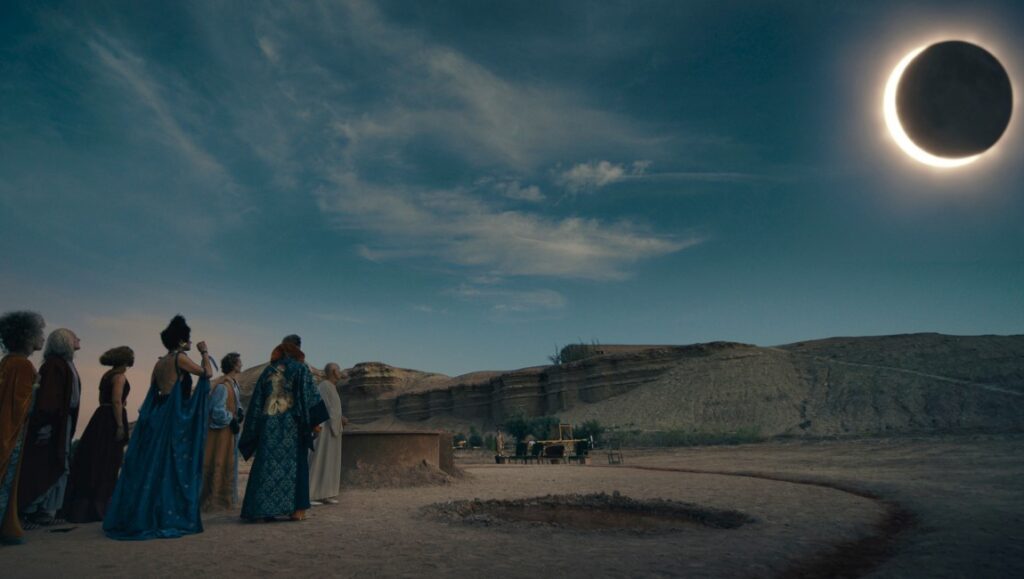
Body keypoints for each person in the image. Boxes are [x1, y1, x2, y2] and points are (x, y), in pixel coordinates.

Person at [102, 315, 212, 540]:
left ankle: (144, 511)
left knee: (153, 466)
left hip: (157, 415)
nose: (190, 343)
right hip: (173, 417)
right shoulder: (180, 358)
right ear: (182, 341)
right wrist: (204, 353)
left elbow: (153, 391)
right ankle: (163, 515)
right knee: (171, 465)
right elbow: (207, 373)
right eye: (188, 340)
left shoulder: (159, 362)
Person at [239, 335, 328, 521]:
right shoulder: (301, 369)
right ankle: (297, 510)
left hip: (268, 426)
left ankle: (261, 510)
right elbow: (310, 396)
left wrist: (252, 431)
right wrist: (315, 423)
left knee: (267, 464)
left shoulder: (267, 371)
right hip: (292, 428)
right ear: (297, 348)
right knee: (296, 466)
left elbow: (256, 403)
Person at [62, 346, 133, 523]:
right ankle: (100, 508)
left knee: (93, 461)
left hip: (100, 417)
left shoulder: (107, 375)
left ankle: (84, 508)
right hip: (110, 418)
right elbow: (117, 400)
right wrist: (119, 425)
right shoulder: (119, 377)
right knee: (108, 461)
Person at [19, 329, 82, 526]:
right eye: (74, 337)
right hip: (55, 422)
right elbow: (48, 398)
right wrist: (45, 424)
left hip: (61, 420)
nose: (78, 339)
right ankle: (33, 510)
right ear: (64, 342)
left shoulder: (62, 365)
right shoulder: (56, 366)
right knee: (48, 463)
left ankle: (45, 510)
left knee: (58, 462)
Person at [0, 311, 45, 545]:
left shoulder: (8, 362)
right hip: (11, 434)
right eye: (40, 333)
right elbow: (21, 405)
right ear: (27, 336)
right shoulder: (23, 365)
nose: (42, 338)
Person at [201, 352, 244, 512]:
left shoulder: (233, 384)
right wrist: (230, 418)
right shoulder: (222, 386)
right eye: (239, 361)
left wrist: (239, 412)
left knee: (227, 463)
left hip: (229, 433)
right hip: (220, 434)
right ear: (233, 364)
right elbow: (216, 410)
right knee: (217, 462)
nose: (241, 364)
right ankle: (213, 501)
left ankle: (225, 500)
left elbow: (235, 404)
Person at [308, 362, 347, 505]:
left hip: (333, 429)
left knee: (330, 462)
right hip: (325, 429)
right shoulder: (324, 386)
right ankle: (311, 494)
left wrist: (340, 418)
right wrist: (338, 419)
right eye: (339, 369)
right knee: (319, 460)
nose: (340, 372)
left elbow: (334, 409)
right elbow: (326, 408)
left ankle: (326, 493)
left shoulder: (332, 387)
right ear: (334, 371)